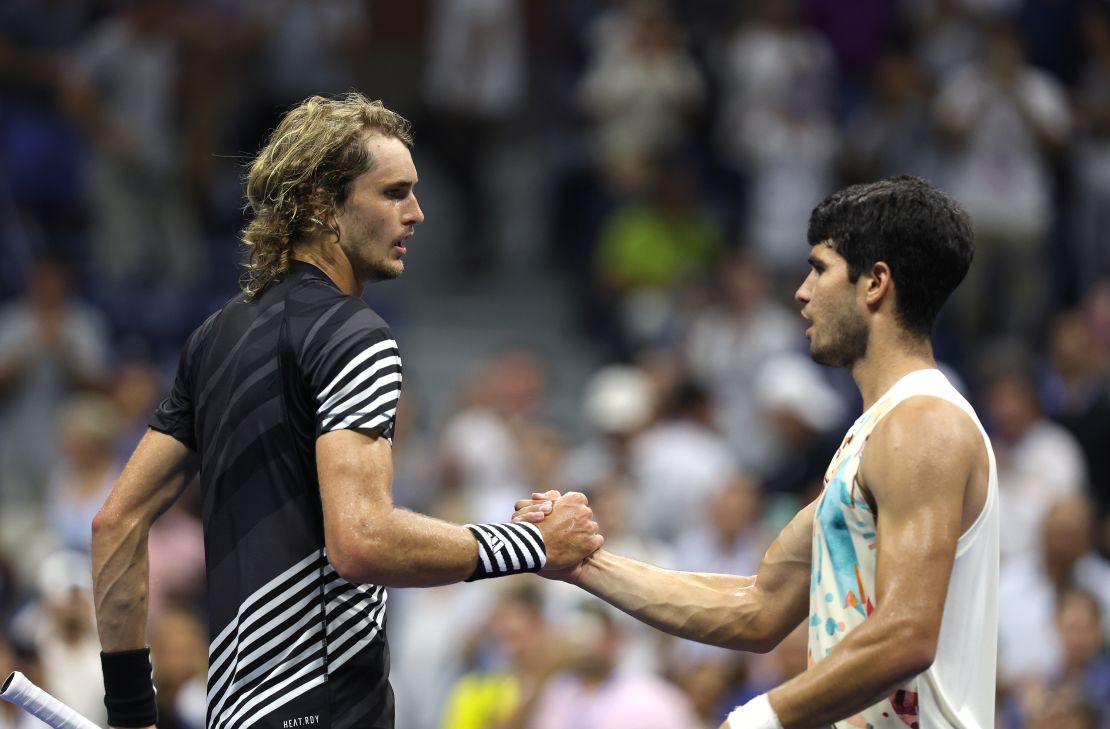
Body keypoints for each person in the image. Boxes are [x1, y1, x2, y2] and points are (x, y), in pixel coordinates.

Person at [89, 93, 603, 729]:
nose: (417, 213)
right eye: (393, 193)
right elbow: (360, 541)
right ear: (318, 203)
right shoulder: (354, 335)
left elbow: (114, 523)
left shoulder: (214, 337)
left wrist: (132, 714)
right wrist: (529, 545)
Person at [518, 176, 999, 729]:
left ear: (875, 283)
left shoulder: (923, 424)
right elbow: (758, 607)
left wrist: (761, 717)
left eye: (819, 268)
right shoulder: (880, 434)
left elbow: (907, 636)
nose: (801, 291)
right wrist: (584, 564)